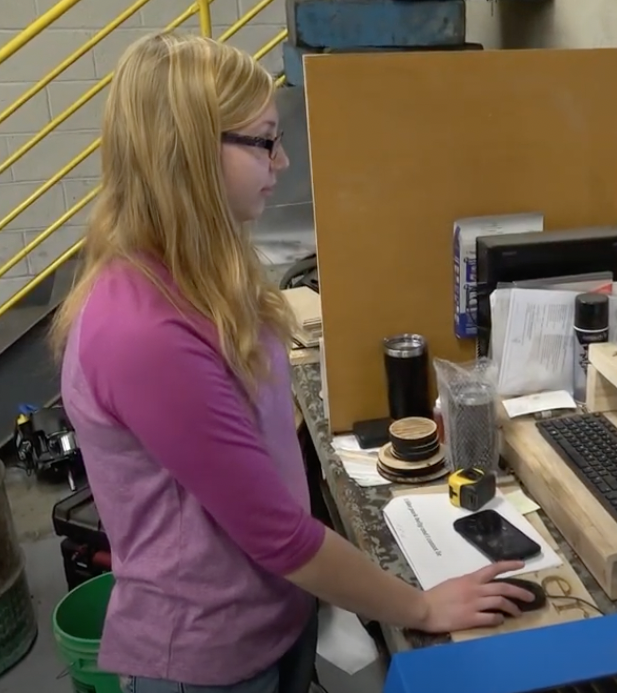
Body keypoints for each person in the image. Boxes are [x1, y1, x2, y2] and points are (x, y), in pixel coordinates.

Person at [52, 32, 532, 693]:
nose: (280, 161)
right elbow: (277, 535)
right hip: (211, 656)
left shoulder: (201, 273)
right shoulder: (142, 329)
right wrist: (421, 606)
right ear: (188, 154)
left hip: (273, 614)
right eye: (263, 141)